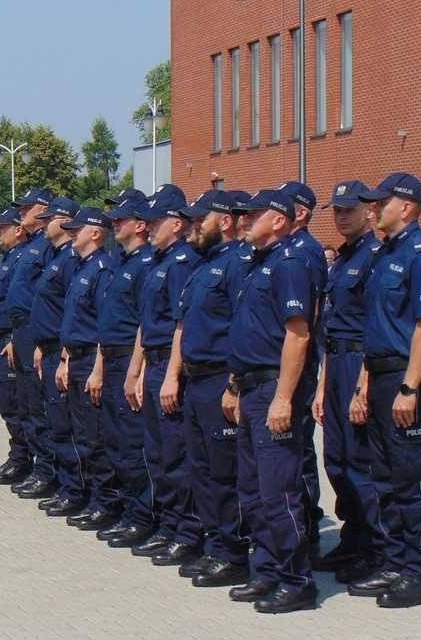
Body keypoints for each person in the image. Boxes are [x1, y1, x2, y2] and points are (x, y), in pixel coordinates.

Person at [347, 173, 421, 608]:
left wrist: (409, 388)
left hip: (409, 379)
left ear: (406, 206)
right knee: (385, 479)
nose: (373, 209)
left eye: (381, 202)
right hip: (380, 375)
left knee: (411, 477)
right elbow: (377, 329)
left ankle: (417, 570)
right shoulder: (385, 255)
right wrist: (365, 382)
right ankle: (394, 560)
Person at [225, 189, 317, 613]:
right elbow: (248, 334)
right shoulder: (258, 265)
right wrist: (236, 386)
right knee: (254, 489)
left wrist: (283, 397)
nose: (245, 220)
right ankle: (265, 571)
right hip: (251, 389)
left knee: (279, 490)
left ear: (278, 220)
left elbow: (297, 335)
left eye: (255, 214)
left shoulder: (289, 265)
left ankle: (295, 581)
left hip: (273, 391)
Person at [171, 190, 250, 587]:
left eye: (200, 219)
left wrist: (234, 384)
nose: (193, 225)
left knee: (224, 472)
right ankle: (214, 544)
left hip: (221, 378)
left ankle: (233, 553)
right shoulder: (203, 267)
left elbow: (241, 327)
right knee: (201, 469)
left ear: (224, 221)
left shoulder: (237, 263)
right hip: (196, 379)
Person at [309, 180, 385, 585]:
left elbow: (374, 326)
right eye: (336, 210)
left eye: (348, 209)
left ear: (369, 211)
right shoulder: (340, 260)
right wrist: (322, 386)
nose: (341, 216)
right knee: (336, 461)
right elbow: (327, 328)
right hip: (335, 360)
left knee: (360, 463)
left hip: (358, 361)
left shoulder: (375, 257)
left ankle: (375, 550)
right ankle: (352, 540)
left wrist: (363, 386)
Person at [125, 184, 203, 566]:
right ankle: (168, 524)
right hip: (153, 364)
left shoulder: (182, 262)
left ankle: (186, 532)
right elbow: (146, 323)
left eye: (156, 221)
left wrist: (172, 374)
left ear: (176, 223)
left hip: (170, 366)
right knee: (157, 453)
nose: (149, 227)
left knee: (175, 454)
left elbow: (181, 325)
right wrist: (136, 370)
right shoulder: (159, 263)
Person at [91, 190, 157, 547]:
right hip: (113, 359)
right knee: (116, 442)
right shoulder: (123, 264)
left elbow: (143, 325)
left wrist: (136, 370)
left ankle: (142, 515)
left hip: (131, 362)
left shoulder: (146, 264)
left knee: (134, 445)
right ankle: (129, 510)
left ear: (141, 225)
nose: (115, 223)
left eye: (121, 219)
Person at [55, 207, 116, 530]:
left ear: (95, 233)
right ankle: (91, 498)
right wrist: (65, 360)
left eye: (77, 229)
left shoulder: (103, 269)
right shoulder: (82, 269)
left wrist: (98, 369)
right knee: (81, 434)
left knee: (95, 437)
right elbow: (73, 320)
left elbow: (103, 325)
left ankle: (103, 502)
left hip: (92, 359)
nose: (71, 233)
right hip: (75, 358)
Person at [21, 197, 79, 504]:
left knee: (63, 424)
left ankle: (70, 488)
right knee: (52, 420)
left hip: (64, 351)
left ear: (67, 221)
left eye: (50, 218)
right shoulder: (58, 257)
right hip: (48, 347)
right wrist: (41, 347)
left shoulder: (70, 259)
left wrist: (64, 355)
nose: (43, 222)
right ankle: (62, 484)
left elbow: (73, 312)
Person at [279, 181, 327, 550]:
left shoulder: (305, 251)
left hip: (301, 364)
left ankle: (306, 527)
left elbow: (305, 320)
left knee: (298, 450)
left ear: (301, 213)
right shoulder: (285, 249)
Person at [0, 187, 55, 485]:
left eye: (26, 208)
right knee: (26, 404)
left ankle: (46, 471)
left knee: (38, 406)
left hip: (35, 331)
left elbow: (45, 297)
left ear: (42, 209)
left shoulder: (48, 245)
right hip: (20, 332)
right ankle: (34, 466)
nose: (21, 213)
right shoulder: (33, 245)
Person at [0, 207, 30, 485]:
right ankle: (20, 456)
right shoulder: (10, 259)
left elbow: (21, 305)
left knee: (15, 406)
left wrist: (13, 338)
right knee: (8, 405)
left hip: (6, 344)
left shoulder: (23, 259)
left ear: (19, 229)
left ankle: (22, 459)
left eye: (3, 227)